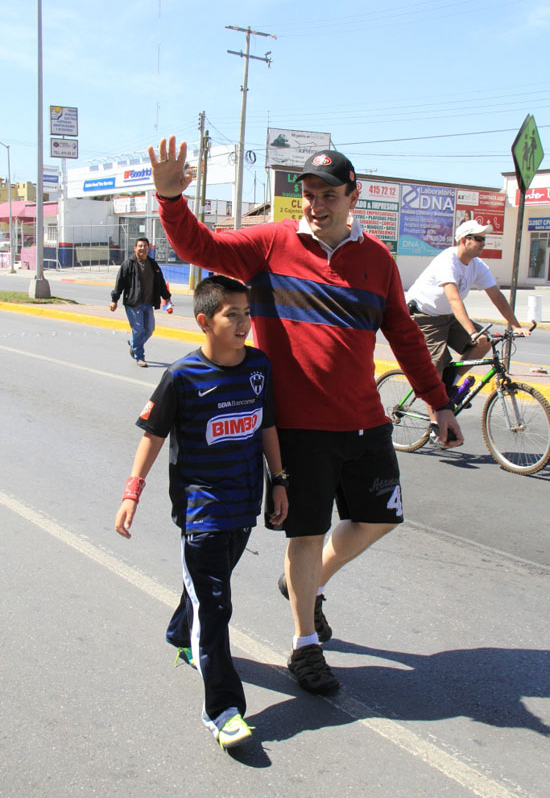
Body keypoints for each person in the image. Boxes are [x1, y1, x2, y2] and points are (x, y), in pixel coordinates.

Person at [148, 137, 462, 695]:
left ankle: (307, 588)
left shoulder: (377, 260)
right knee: (307, 533)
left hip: (366, 421)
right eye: (308, 194)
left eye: (328, 194)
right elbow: (201, 245)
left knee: (381, 518)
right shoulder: (271, 244)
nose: (316, 204)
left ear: (353, 196)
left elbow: (406, 337)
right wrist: (171, 199)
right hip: (300, 427)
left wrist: (438, 401)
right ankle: (304, 646)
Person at [114, 274, 288, 750]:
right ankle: (223, 710)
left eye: (247, 314)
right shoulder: (183, 376)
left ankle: (177, 631)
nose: (244, 324)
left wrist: (279, 480)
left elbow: (267, 424)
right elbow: (152, 434)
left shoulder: (259, 367)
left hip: (243, 504)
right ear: (205, 321)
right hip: (201, 509)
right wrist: (133, 491)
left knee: (207, 586)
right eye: (233, 315)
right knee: (215, 604)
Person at [406, 219, 531, 433]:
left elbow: (496, 296)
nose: (484, 243)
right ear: (463, 240)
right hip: (424, 315)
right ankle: (436, 423)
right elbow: (455, 300)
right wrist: (471, 331)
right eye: (479, 239)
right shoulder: (448, 260)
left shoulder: (477, 266)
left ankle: (449, 383)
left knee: (483, 342)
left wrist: (516, 325)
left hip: (448, 316)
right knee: (435, 363)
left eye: (485, 239)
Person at [110, 237, 172, 367]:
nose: (142, 249)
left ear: (148, 248)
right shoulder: (128, 264)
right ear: (135, 248)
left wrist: (167, 297)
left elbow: (160, 283)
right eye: (140, 246)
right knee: (138, 329)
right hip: (133, 303)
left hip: (148, 303)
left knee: (149, 329)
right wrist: (114, 300)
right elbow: (119, 283)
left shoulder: (153, 265)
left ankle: (133, 343)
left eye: (145, 246)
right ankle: (139, 357)